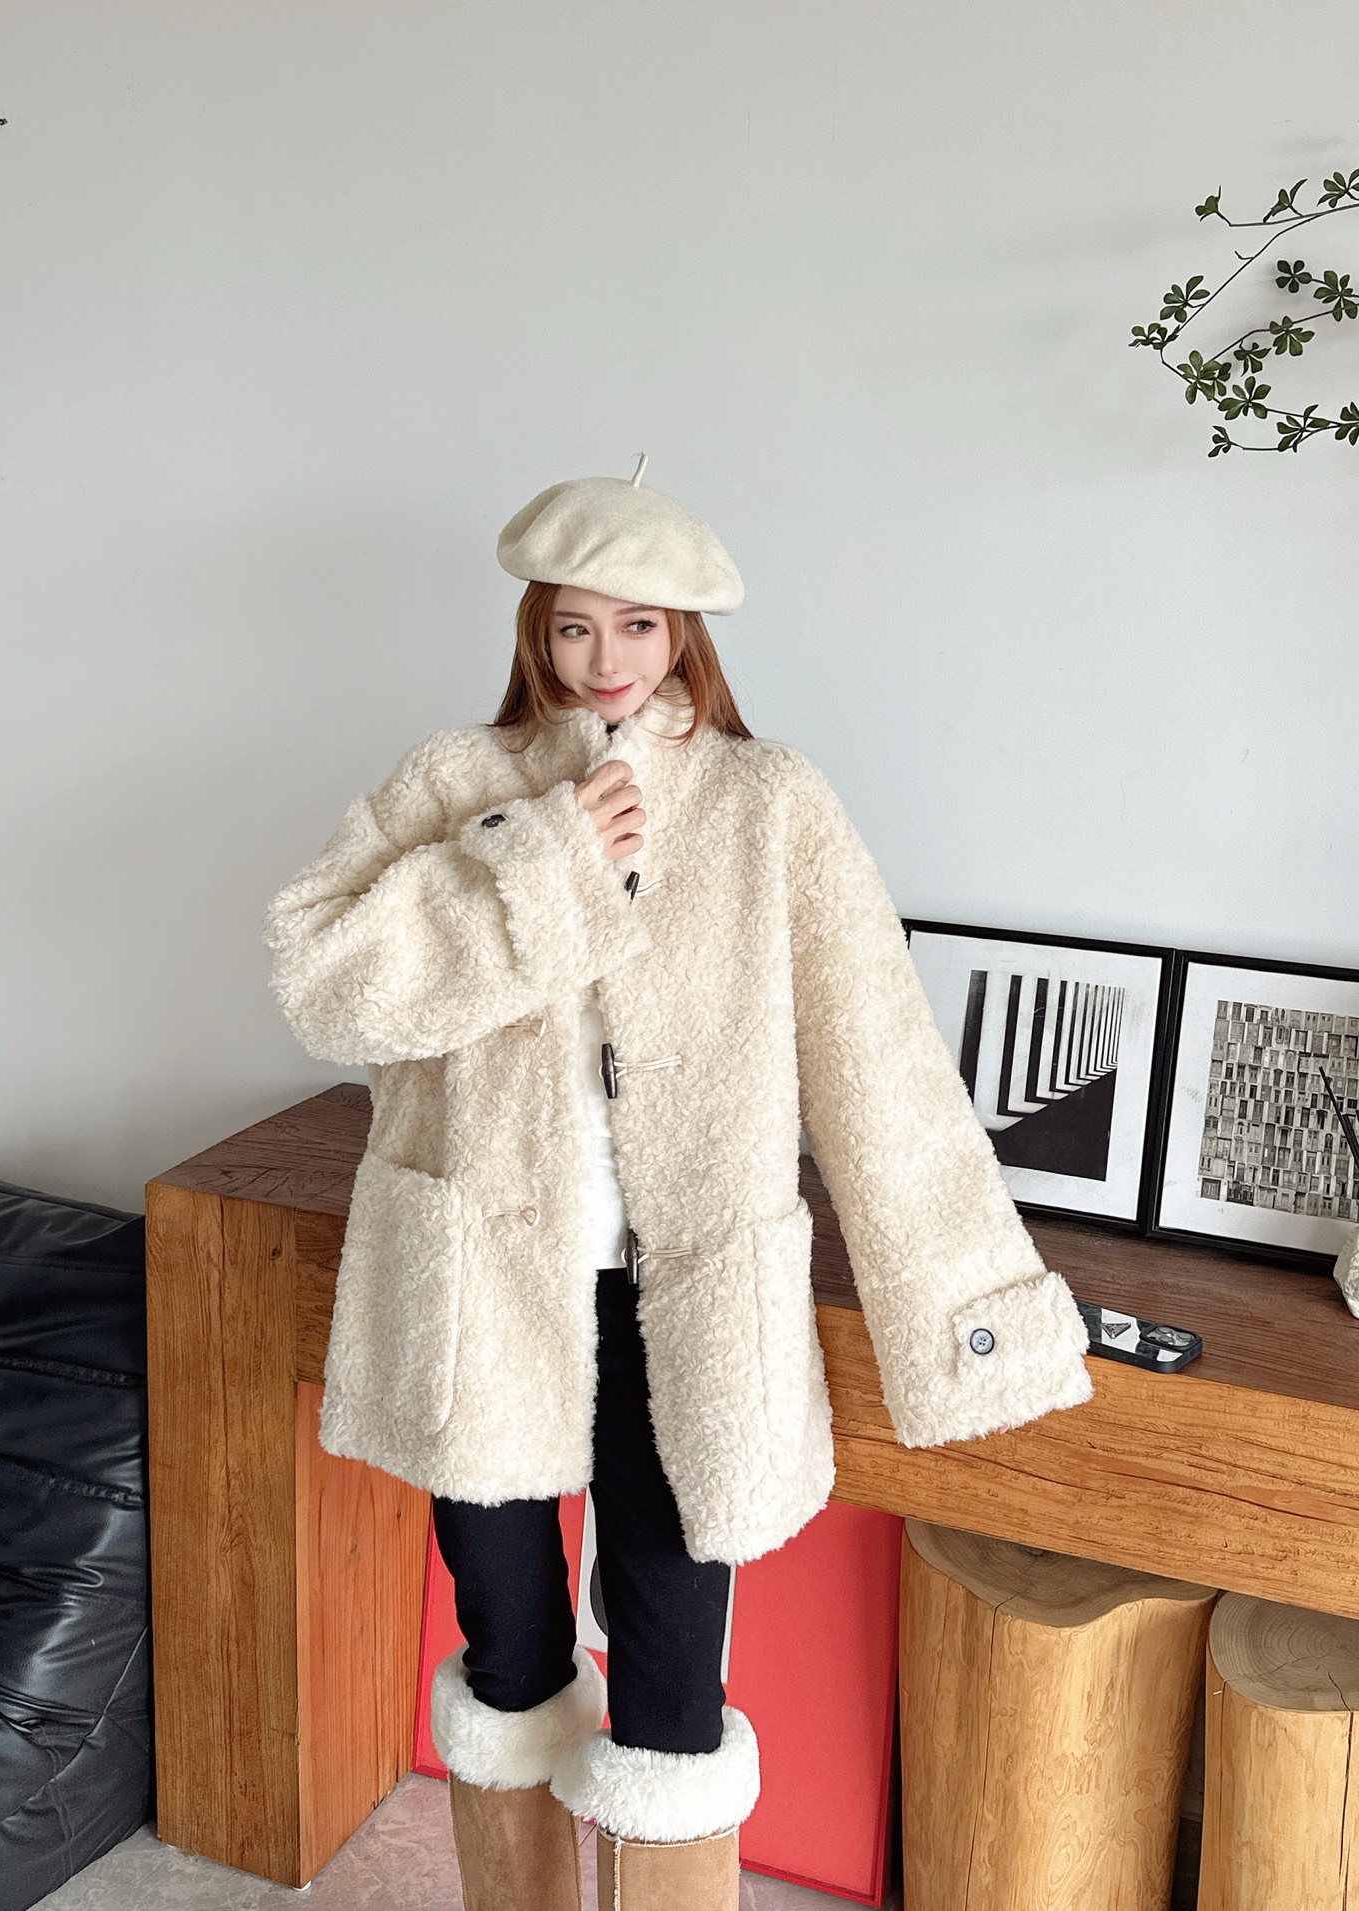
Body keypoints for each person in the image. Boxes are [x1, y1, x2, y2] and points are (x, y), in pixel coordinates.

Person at [262, 458, 1094, 1911]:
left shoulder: (771, 803)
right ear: (535, 628)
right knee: (507, 1654)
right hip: (484, 1289)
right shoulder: (460, 784)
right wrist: (538, 857)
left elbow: (880, 1064)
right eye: (576, 626)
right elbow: (326, 984)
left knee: (668, 1678)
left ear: (688, 633)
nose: (606, 660)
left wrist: (967, 1314)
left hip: (687, 1303)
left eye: (639, 627)